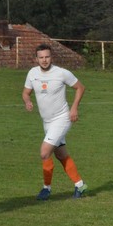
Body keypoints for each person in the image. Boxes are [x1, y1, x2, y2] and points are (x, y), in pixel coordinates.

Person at [22, 44, 88, 200]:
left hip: (62, 118)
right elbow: (25, 93)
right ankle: (80, 185)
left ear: (52, 57)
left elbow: (80, 88)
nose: (44, 60)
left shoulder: (61, 73)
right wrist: (27, 101)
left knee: (45, 152)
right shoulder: (32, 73)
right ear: (36, 59)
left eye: (47, 57)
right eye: (41, 57)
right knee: (60, 154)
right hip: (47, 122)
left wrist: (74, 108)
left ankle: (46, 189)